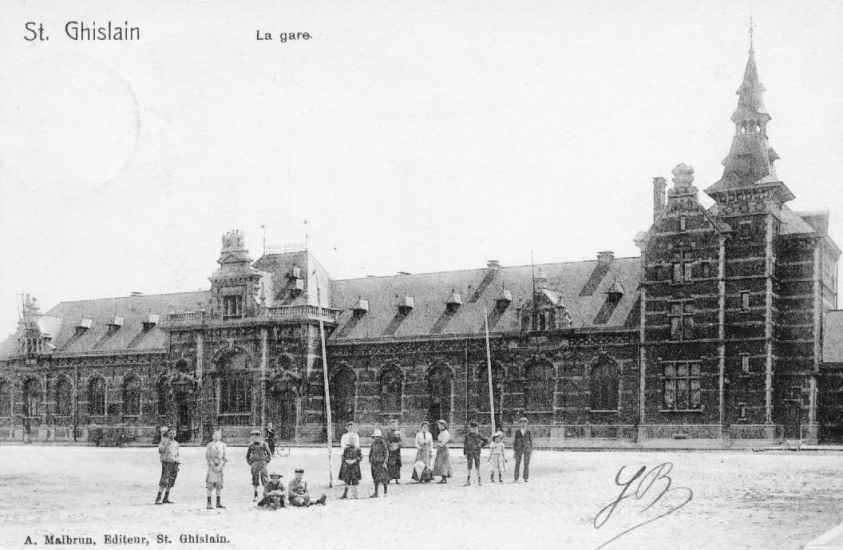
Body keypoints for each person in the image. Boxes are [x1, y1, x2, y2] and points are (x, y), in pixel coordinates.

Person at [155, 427, 180, 504]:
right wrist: (166, 445)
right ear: (168, 434)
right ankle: (158, 498)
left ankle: (166, 498)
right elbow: (160, 451)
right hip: (166, 462)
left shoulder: (176, 443)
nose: (172, 434)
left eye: (173, 433)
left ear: (175, 434)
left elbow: (177, 454)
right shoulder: (164, 441)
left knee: (171, 481)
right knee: (164, 480)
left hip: (174, 463)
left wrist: (177, 463)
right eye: (170, 433)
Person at [246, 429, 272, 501]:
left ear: (259, 437)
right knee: (255, 479)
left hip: (263, 463)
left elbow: (269, 454)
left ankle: (265, 495)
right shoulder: (251, 445)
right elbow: (247, 455)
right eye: (253, 437)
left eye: (256, 437)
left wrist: (266, 462)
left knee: (265, 478)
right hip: (254, 464)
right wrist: (250, 463)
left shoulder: (264, 444)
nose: (254, 438)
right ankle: (255, 495)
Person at [205, 428, 228, 509]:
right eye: (215, 434)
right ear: (212, 435)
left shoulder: (223, 445)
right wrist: (212, 465)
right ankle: (209, 503)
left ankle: (218, 502)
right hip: (212, 467)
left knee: (219, 485)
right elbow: (207, 457)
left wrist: (221, 466)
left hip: (220, 467)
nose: (217, 436)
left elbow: (225, 457)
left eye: (218, 434)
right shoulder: (209, 445)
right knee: (210, 485)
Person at [463, 421, 489, 486]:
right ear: (470, 428)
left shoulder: (478, 435)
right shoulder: (467, 436)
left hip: (477, 453)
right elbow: (465, 445)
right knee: (469, 466)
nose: (474, 429)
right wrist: (465, 453)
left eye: (475, 428)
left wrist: (480, 446)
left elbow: (486, 440)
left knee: (477, 466)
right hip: (469, 453)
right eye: (472, 428)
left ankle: (479, 480)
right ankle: (468, 480)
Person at [369, 429, 390, 498]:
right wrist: (370, 459)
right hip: (374, 463)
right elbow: (371, 452)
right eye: (375, 437)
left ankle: (385, 492)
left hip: (381, 463)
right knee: (375, 478)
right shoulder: (373, 443)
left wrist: (385, 462)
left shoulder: (383, 443)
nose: (376, 438)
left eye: (377, 437)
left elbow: (386, 453)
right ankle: (376, 492)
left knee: (384, 478)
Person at [513, 416, 533, 482]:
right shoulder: (517, 432)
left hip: (527, 449)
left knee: (526, 463)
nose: (523, 424)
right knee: (517, 463)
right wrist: (515, 450)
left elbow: (531, 441)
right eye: (521, 422)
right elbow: (515, 441)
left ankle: (525, 477)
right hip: (519, 449)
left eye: (525, 422)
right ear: (519, 424)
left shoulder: (529, 432)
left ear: (527, 424)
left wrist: (530, 449)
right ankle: (516, 478)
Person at [432, 419, 452, 484]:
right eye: (439, 425)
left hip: (444, 449)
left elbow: (444, 441)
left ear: (444, 426)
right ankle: (442, 477)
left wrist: (440, 444)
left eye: (441, 425)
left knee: (444, 463)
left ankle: (444, 478)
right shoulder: (441, 432)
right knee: (440, 463)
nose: (439, 426)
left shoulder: (446, 433)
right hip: (440, 449)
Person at [386, 420, 402, 484]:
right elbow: (386, 440)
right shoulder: (388, 433)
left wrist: (398, 444)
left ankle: (397, 479)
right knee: (390, 464)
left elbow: (401, 441)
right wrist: (390, 445)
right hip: (391, 451)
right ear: (390, 426)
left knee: (397, 464)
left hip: (397, 451)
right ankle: (389, 478)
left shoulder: (398, 433)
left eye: (395, 425)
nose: (394, 426)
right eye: (392, 425)